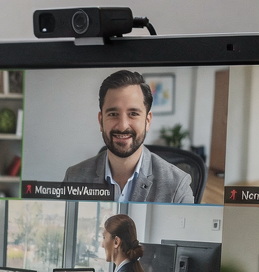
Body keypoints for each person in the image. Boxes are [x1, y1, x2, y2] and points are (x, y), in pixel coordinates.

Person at [62, 70, 194, 203]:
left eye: (133, 114)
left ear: (147, 121)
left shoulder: (177, 186)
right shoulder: (74, 178)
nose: (122, 126)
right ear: (101, 121)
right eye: (113, 114)